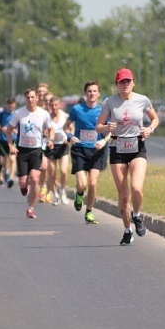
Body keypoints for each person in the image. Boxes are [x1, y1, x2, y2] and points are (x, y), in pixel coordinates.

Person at [96, 68, 159, 245]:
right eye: (122, 82)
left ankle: (137, 215)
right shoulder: (109, 102)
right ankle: (127, 229)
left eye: (128, 81)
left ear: (133, 83)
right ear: (117, 84)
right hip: (117, 148)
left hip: (137, 146)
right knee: (123, 197)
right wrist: (107, 127)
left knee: (136, 187)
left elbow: (155, 119)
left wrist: (150, 128)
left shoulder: (142, 100)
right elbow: (98, 126)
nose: (125, 85)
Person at [65, 80, 109, 225]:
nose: (92, 94)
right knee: (82, 184)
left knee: (92, 183)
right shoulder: (77, 109)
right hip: (80, 150)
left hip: (97, 150)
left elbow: (112, 130)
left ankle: (89, 212)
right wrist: (70, 137)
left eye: (94, 91)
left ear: (99, 93)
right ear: (85, 93)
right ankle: (79, 194)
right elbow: (65, 127)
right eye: (89, 91)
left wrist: (104, 141)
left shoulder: (104, 110)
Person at [6, 88, 54, 219]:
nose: (31, 100)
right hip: (22, 150)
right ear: (25, 99)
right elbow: (8, 130)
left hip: (36, 150)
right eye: (28, 97)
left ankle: (31, 208)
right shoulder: (19, 113)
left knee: (34, 179)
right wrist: (11, 145)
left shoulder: (43, 114)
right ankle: (23, 187)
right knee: (22, 182)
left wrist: (50, 140)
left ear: (37, 98)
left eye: (33, 97)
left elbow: (50, 129)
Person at [45, 95, 70, 205]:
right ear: (49, 106)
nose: (54, 107)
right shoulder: (47, 118)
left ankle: (62, 189)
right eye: (52, 105)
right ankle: (55, 194)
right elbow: (45, 131)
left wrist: (68, 137)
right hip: (51, 146)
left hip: (63, 146)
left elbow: (71, 128)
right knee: (52, 172)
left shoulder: (65, 116)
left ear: (59, 105)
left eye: (56, 105)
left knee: (64, 171)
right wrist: (48, 139)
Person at [0, 98, 17, 188]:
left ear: (14, 105)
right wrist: (0, 128)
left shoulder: (17, 114)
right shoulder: (2, 113)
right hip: (2, 139)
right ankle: (5, 172)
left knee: (12, 159)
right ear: (6, 105)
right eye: (9, 106)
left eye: (12, 106)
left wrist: (16, 131)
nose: (11, 108)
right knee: (2, 160)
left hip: (13, 139)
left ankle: (11, 178)